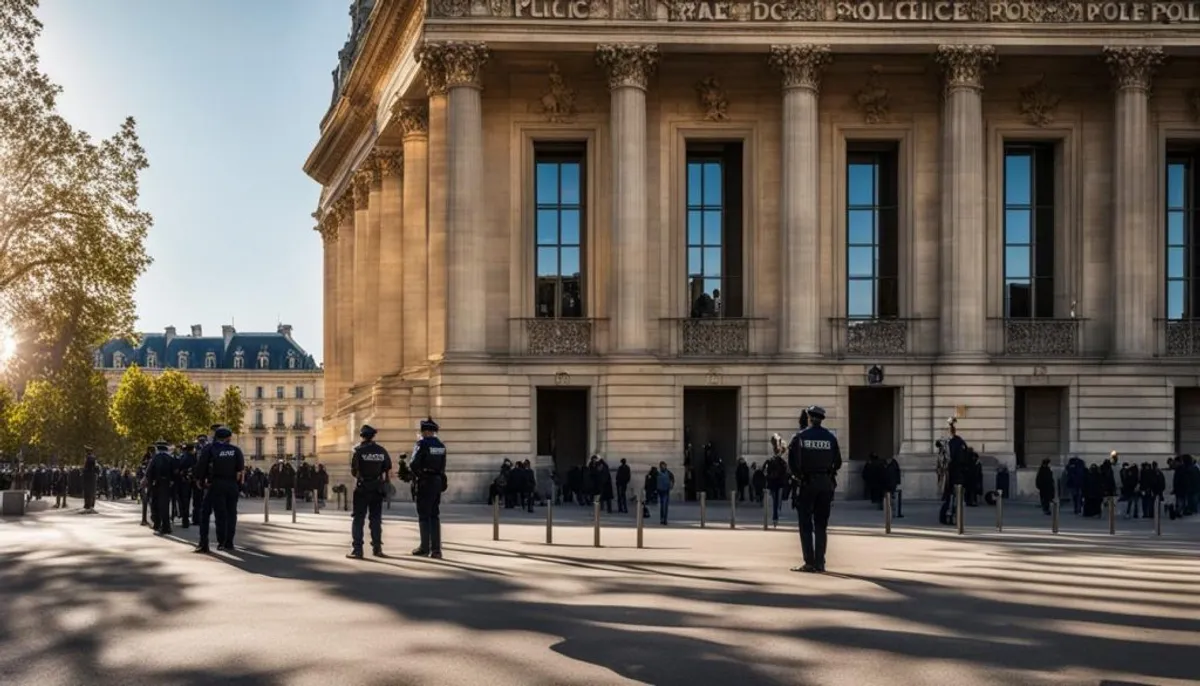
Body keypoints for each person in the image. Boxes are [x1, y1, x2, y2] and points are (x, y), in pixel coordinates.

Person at [788, 405, 842, 573]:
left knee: (805, 524)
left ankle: (809, 562)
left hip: (807, 483)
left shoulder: (800, 437)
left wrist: (800, 477)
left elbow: (792, 463)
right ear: (821, 419)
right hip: (825, 484)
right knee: (821, 525)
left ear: (810, 418)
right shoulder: (830, 438)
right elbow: (838, 462)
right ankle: (820, 562)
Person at [195, 426, 244, 552]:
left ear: (216, 437)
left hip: (215, 484)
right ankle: (229, 542)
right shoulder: (236, 450)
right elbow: (240, 472)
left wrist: (199, 480)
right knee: (231, 513)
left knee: (214, 513)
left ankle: (212, 542)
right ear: (228, 438)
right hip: (232, 484)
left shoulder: (210, 448)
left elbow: (201, 466)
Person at [346, 424, 392, 559]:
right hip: (377, 487)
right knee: (376, 519)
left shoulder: (358, 451)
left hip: (362, 488)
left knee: (358, 519)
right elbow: (387, 468)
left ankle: (358, 550)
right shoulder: (381, 451)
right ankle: (377, 548)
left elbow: (354, 471)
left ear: (362, 436)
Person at [408, 417, 447, 558]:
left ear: (424, 431)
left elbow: (413, 464)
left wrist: (418, 475)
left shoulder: (422, 444)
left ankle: (424, 547)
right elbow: (443, 466)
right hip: (437, 481)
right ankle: (436, 550)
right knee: (434, 515)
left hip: (425, 481)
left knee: (424, 516)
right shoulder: (441, 446)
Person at [146, 441, 177, 535]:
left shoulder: (155, 458)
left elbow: (149, 472)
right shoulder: (170, 458)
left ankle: (157, 524)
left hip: (156, 484)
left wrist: (150, 484)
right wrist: (172, 481)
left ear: (157, 449)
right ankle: (166, 526)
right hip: (167, 484)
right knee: (165, 506)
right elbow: (175, 471)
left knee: (155, 505)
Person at [175, 443, 197, 528]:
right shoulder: (192, 458)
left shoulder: (182, 457)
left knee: (183, 501)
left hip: (182, 482)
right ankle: (185, 520)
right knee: (186, 501)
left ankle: (184, 519)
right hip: (188, 481)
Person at [81, 446, 98, 512]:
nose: (86, 453)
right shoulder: (91, 458)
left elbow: (92, 467)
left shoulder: (90, 458)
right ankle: (88, 505)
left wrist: (84, 470)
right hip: (90, 477)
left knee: (89, 491)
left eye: (87, 451)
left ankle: (89, 505)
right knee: (90, 491)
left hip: (89, 477)